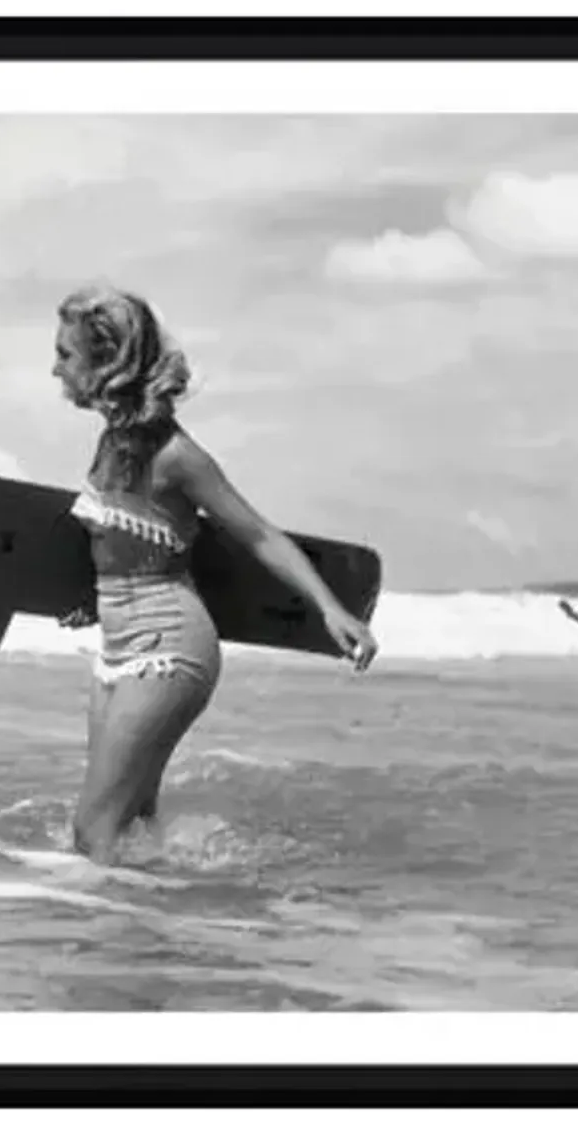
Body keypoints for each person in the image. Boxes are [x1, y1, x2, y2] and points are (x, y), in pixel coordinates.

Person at [49, 285, 379, 862]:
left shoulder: (176, 456)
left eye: (66, 355)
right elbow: (117, 550)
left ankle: (94, 939)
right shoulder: (111, 442)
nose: (56, 369)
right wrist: (87, 598)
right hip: (118, 645)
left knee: (91, 830)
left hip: (170, 649)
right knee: (129, 828)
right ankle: (159, 936)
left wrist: (330, 607)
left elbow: (257, 534)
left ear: (107, 363)